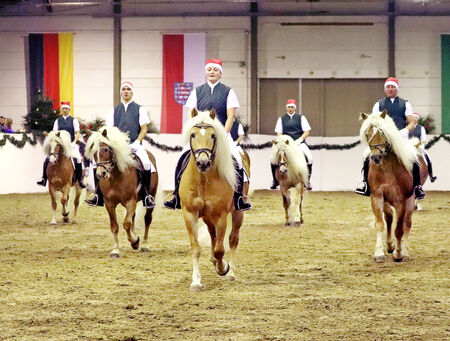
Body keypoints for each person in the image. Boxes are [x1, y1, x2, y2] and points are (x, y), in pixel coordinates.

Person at [163, 58, 252, 211]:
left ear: (220, 73)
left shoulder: (228, 92)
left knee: (237, 160)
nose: (212, 72)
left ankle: (239, 197)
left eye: (215, 70)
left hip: (222, 136)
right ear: (206, 72)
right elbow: (191, 114)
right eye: (209, 69)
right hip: (200, 137)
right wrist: (193, 131)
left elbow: (231, 115)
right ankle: (176, 195)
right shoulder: (197, 91)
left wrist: (223, 134)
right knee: (181, 159)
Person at [84, 81, 156, 208]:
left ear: (132, 92)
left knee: (146, 162)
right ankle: (98, 195)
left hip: (135, 144)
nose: (126, 92)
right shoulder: (114, 110)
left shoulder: (139, 108)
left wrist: (138, 141)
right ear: (121, 92)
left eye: (128, 89)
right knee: (97, 163)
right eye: (124, 89)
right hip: (117, 147)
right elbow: (108, 129)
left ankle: (146, 195)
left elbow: (144, 128)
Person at [355, 77, 426, 199]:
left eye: (393, 87)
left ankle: (417, 187)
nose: (390, 89)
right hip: (383, 139)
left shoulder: (405, 104)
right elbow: (374, 121)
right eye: (388, 87)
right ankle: (365, 184)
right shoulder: (378, 104)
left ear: (397, 89)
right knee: (367, 157)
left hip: (400, 138)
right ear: (385, 89)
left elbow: (411, 122)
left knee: (414, 157)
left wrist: (405, 130)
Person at [36, 102, 86, 188]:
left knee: (78, 158)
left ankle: (79, 179)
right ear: (61, 109)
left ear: (69, 109)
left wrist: (74, 142)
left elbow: (77, 133)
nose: (65, 110)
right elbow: (55, 133)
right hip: (59, 146)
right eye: (63, 108)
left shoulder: (73, 120)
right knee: (46, 157)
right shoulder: (57, 120)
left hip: (70, 144)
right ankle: (43, 178)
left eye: (66, 109)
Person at [270, 99, 313, 190]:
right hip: (286, 144)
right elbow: (279, 133)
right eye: (289, 107)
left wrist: (299, 140)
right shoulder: (281, 119)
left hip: (298, 143)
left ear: (295, 108)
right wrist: (283, 141)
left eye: (292, 107)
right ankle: (275, 180)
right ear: (286, 108)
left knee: (309, 158)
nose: (290, 109)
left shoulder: (301, 118)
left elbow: (307, 132)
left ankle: (307, 181)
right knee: (272, 159)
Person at [407, 112, 437, 182]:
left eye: (416, 118)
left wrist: (422, 145)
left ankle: (431, 176)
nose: (415, 119)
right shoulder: (407, 127)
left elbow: (423, 139)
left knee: (428, 157)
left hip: (418, 147)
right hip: (408, 147)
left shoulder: (421, 128)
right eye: (414, 118)